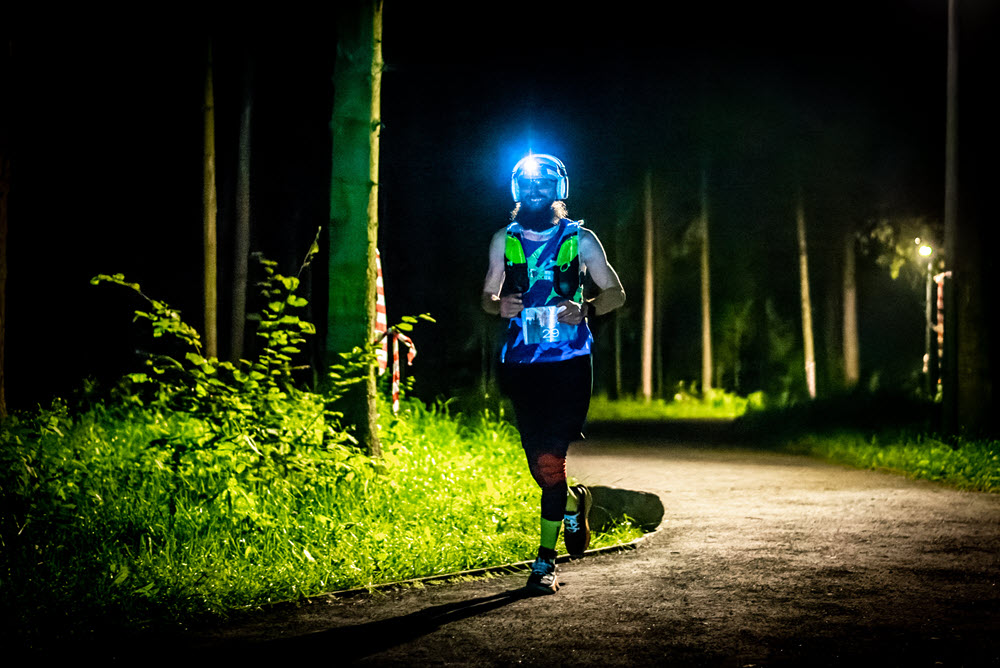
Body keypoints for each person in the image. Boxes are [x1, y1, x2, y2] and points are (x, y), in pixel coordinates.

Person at [481, 154, 626, 594]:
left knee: (550, 460)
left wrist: (587, 309)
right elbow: (488, 295)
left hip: (569, 362)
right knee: (539, 465)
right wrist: (498, 305)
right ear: (516, 190)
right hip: (521, 363)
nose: (534, 191)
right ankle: (573, 504)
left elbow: (616, 293)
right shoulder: (503, 239)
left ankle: (545, 562)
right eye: (527, 185)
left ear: (558, 189)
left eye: (543, 184)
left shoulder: (580, 239)